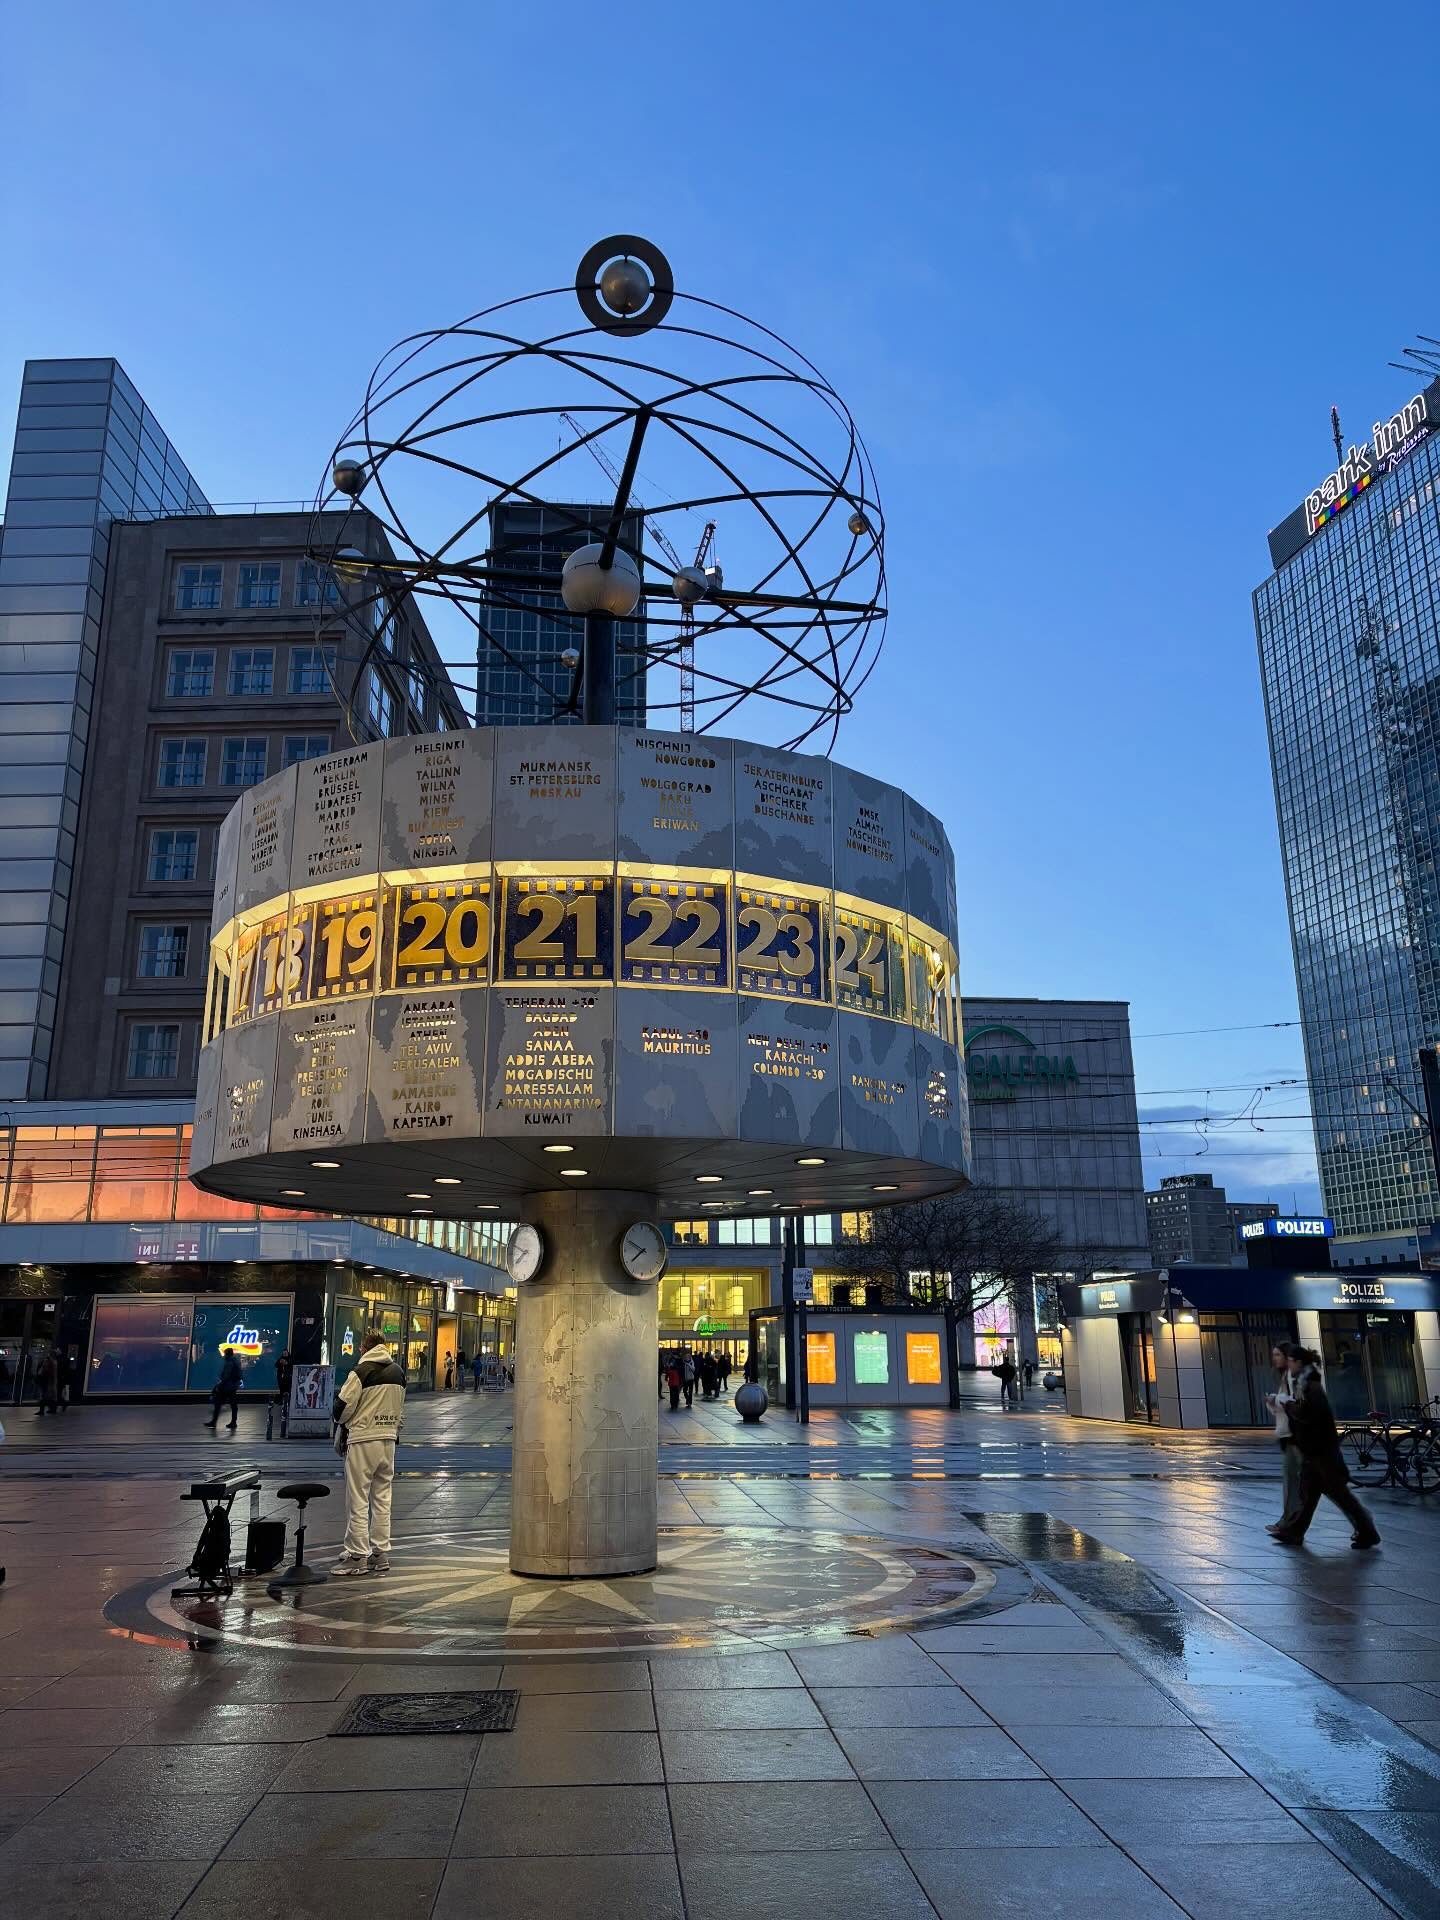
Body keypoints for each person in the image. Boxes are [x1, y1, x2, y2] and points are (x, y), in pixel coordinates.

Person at [1270, 1345, 1380, 1551]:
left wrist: (1288, 1405)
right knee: (1309, 1494)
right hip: (1315, 1451)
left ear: (1299, 1363)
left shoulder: (1311, 1385)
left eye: (1291, 1361)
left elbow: (1310, 1415)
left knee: (1339, 1494)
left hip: (1321, 1452)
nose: (1288, 1365)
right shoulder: (1304, 1382)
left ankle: (1367, 1531)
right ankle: (1294, 1531)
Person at [332, 1330, 406, 1576]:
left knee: (358, 1499)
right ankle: (380, 1553)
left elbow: (342, 1408)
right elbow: (400, 1409)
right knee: (383, 1498)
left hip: (364, 1439)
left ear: (364, 1348)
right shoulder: (398, 1373)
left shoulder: (361, 1372)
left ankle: (357, 1556)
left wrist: (343, 1422)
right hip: (388, 1440)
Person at [1263, 1342, 1303, 1536]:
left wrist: (1275, 1399)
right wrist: (1273, 1401)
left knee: (1292, 1480)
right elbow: (1284, 1406)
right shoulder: (1286, 1378)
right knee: (1323, 1486)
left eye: (1278, 1355)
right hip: (1289, 1434)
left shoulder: (1294, 1378)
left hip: (1295, 1436)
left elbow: (1295, 1402)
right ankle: (1288, 1523)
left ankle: (1287, 1523)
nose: (1275, 1359)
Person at [205, 1346, 243, 1430]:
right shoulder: (236, 1361)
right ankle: (233, 1421)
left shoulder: (229, 1363)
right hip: (233, 1386)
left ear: (227, 1354)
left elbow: (226, 1375)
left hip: (227, 1387)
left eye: (225, 1354)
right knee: (233, 1405)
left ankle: (214, 1422)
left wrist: (220, 1385)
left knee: (218, 1404)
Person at [35, 1348, 60, 1417]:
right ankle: (52, 1409)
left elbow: (44, 1371)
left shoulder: (48, 1361)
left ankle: (42, 1410)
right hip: (52, 1381)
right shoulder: (55, 1362)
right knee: (51, 1396)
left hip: (46, 1380)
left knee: (44, 1395)